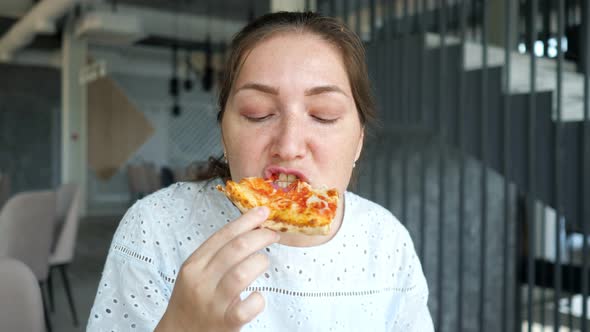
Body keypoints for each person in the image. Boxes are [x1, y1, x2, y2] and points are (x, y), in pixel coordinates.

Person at [87, 11, 433, 331]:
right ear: (224, 132)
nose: (289, 144)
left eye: (323, 115)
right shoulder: (155, 227)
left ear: (358, 141)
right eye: (258, 113)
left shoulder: (388, 242)